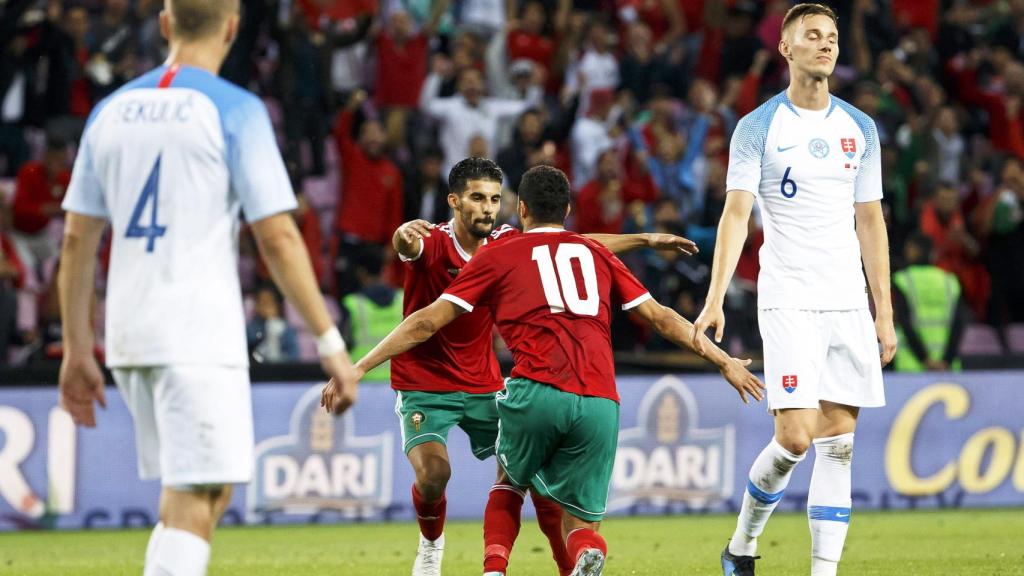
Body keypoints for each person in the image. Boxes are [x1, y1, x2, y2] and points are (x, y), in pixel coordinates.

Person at [323, 164, 765, 576]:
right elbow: (410, 253)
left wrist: (644, 238)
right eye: (477, 198)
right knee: (441, 475)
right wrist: (401, 237)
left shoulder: (504, 247)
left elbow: (561, 242)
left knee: (519, 481)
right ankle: (434, 550)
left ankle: (511, 568)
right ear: (454, 201)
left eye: (495, 200)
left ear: (517, 208)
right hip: (451, 384)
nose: (487, 208)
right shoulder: (441, 241)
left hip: (495, 384)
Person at [57, 2, 358, 575]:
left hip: (128, 333)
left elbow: (76, 240)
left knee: (197, 492)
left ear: (165, 25)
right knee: (199, 494)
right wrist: (329, 341)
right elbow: (277, 236)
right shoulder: (235, 109)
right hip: (194, 331)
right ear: (231, 27)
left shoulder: (110, 111)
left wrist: (77, 348)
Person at [689, 5, 897, 576]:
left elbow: (871, 221)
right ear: (786, 48)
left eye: (831, 37)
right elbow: (735, 214)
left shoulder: (860, 128)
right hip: (787, 297)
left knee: (839, 445)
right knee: (796, 437)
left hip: (847, 300)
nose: (826, 45)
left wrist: (884, 312)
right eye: (812, 36)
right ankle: (742, 542)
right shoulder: (758, 127)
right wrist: (714, 298)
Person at [892, 232, 967, 372]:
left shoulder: (902, 280)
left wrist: (925, 359)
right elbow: (958, 324)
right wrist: (946, 360)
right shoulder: (949, 281)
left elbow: (904, 322)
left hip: (912, 366)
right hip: (947, 368)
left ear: (912, 249)